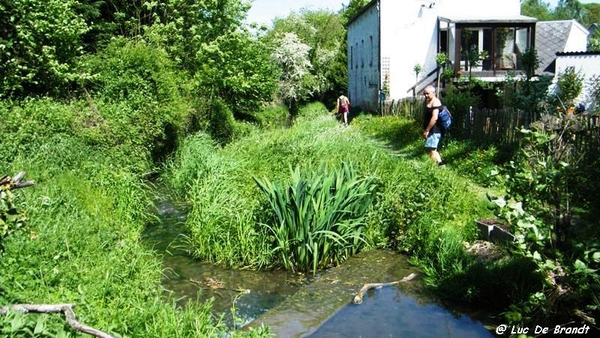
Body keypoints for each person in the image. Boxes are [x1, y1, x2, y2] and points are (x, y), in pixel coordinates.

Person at [422, 85, 444, 166]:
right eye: (425, 94)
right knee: (431, 149)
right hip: (432, 130)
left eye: (427, 93)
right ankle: (440, 166)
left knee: (431, 149)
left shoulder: (435, 102)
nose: (426, 95)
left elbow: (435, 117)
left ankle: (437, 166)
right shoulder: (430, 101)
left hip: (434, 130)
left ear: (433, 93)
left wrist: (427, 130)